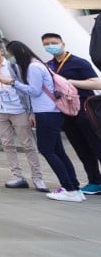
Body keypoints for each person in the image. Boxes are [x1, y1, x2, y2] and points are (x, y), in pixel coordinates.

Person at [0, 40, 84, 202]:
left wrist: (12, 83)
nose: (12, 60)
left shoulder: (33, 67)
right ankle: (74, 188)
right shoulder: (40, 64)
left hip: (46, 113)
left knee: (46, 150)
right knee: (58, 151)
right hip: (52, 112)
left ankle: (70, 189)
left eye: (12, 55)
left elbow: (34, 91)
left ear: (19, 53)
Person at [0, 39, 46, 191]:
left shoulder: (14, 66)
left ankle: (37, 177)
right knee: (7, 144)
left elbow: (26, 89)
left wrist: (31, 111)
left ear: (1, 50)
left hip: (18, 109)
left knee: (28, 144)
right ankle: (18, 176)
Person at [41, 32, 101, 195]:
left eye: (53, 42)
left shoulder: (78, 63)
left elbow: (97, 83)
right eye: (46, 44)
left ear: (63, 44)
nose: (50, 46)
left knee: (97, 146)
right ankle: (95, 182)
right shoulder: (48, 66)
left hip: (85, 111)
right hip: (66, 114)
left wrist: (69, 83)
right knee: (81, 149)